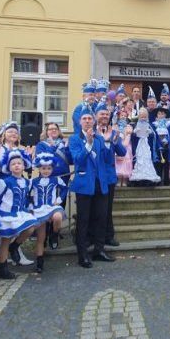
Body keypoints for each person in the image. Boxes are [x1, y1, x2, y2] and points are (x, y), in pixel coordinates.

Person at [69, 112, 116, 268]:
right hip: (84, 185)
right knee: (83, 221)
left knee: (101, 218)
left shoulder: (100, 138)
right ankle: (82, 255)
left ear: (94, 121)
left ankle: (99, 250)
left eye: (90, 119)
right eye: (85, 119)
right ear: (80, 122)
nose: (88, 121)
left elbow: (108, 160)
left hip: (100, 184)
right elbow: (78, 160)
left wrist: (109, 143)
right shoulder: (75, 139)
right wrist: (88, 143)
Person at [0, 149, 37, 279]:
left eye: (19, 163)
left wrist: (28, 208)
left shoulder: (27, 182)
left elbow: (26, 198)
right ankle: (2, 268)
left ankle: (15, 246)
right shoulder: (4, 181)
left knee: (31, 227)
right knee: (5, 240)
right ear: (9, 167)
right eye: (13, 164)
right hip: (6, 214)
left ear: (24, 165)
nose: (16, 165)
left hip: (20, 213)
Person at [33, 122, 71, 252]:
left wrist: (68, 148)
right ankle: (45, 235)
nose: (53, 131)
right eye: (50, 129)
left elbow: (70, 159)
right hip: (48, 180)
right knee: (46, 208)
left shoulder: (64, 143)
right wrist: (53, 147)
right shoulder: (41, 145)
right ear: (46, 131)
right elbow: (41, 159)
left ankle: (55, 233)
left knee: (60, 206)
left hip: (63, 178)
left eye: (55, 129)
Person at [29, 152, 68, 273]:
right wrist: (30, 205)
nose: (46, 171)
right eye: (43, 168)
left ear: (52, 169)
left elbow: (65, 188)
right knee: (41, 238)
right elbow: (27, 195)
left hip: (52, 207)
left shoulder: (56, 179)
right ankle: (39, 262)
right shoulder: (33, 181)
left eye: (49, 168)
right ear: (39, 168)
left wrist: (59, 199)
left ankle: (54, 234)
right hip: (39, 209)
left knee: (57, 217)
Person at [95, 106, 127, 247]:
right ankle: (94, 238)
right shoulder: (92, 132)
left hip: (109, 176)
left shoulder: (114, 132)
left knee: (107, 209)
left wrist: (115, 140)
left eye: (107, 114)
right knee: (96, 210)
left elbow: (122, 152)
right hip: (95, 177)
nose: (104, 116)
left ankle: (109, 236)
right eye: (102, 114)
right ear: (96, 116)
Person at [130, 108, 160, 187]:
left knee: (147, 162)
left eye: (145, 117)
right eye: (141, 117)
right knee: (139, 162)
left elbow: (155, 136)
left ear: (147, 117)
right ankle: (138, 180)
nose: (143, 118)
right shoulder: (134, 125)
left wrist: (150, 134)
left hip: (147, 148)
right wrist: (134, 133)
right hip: (138, 148)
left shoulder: (151, 125)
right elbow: (131, 138)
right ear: (139, 116)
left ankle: (148, 180)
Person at [152, 107, 170, 185]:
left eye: (162, 113)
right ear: (157, 115)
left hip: (166, 146)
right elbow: (153, 136)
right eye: (159, 113)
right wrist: (158, 144)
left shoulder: (169, 124)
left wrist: (167, 142)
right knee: (158, 164)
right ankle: (158, 181)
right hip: (157, 147)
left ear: (165, 115)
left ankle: (166, 181)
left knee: (166, 165)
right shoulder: (154, 125)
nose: (161, 115)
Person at [114, 109, 133, 187]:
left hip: (126, 147)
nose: (123, 117)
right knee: (118, 163)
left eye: (125, 116)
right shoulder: (115, 126)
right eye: (122, 115)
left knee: (125, 163)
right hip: (117, 146)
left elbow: (128, 136)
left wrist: (124, 144)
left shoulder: (128, 127)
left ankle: (124, 180)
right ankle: (118, 180)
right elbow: (114, 136)